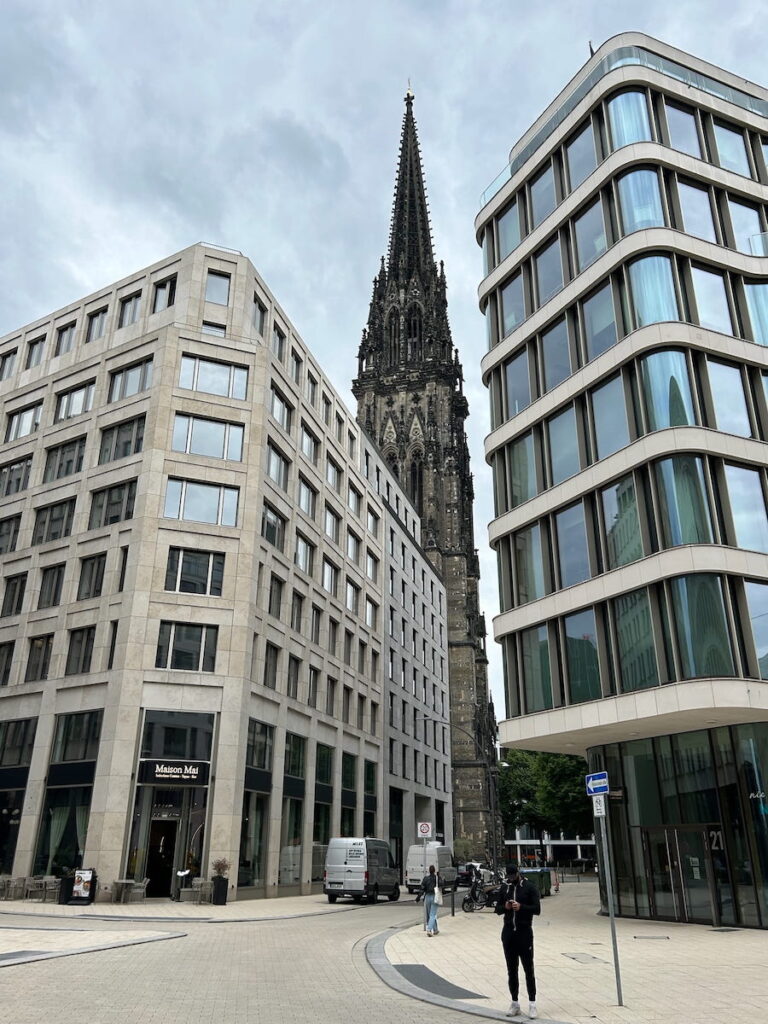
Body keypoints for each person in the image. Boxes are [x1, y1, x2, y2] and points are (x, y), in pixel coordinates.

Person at [495, 863, 541, 1019]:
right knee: (511, 970)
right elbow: (497, 909)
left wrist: (521, 907)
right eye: (508, 876)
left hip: (524, 932)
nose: (511, 879)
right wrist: (506, 907)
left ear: (518, 874)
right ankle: (515, 1003)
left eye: (513, 876)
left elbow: (537, 909)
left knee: (529, 969)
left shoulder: (529, 887)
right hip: (508, 933)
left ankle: (532, 1003)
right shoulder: (505, 887)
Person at [419, 864, 440, 936]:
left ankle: (436, 929)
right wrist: (439, 876)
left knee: (430, 914)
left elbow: (422, 889)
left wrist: (418, 898)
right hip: (435, 896)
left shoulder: (425, 878)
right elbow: (442, 884)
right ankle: (429, 930)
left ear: (429, 871)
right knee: (433, 914)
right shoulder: (436, 878)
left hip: (427, 897)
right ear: (434, 871)